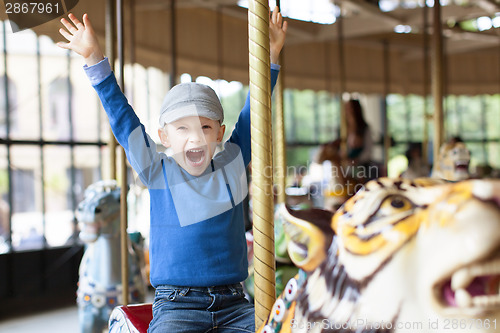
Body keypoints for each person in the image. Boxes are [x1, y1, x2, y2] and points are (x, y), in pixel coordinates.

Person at [57, 8, 287, 333]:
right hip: (179, 305)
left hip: (236, 303)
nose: (195, 137)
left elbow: (254, 116)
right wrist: (95, 59)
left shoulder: (231, 164)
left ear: (219, 134)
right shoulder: (156, 169)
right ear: (163, 137)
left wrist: (272, 55)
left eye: (205, 127)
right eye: (182, 129)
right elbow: (124, 121)